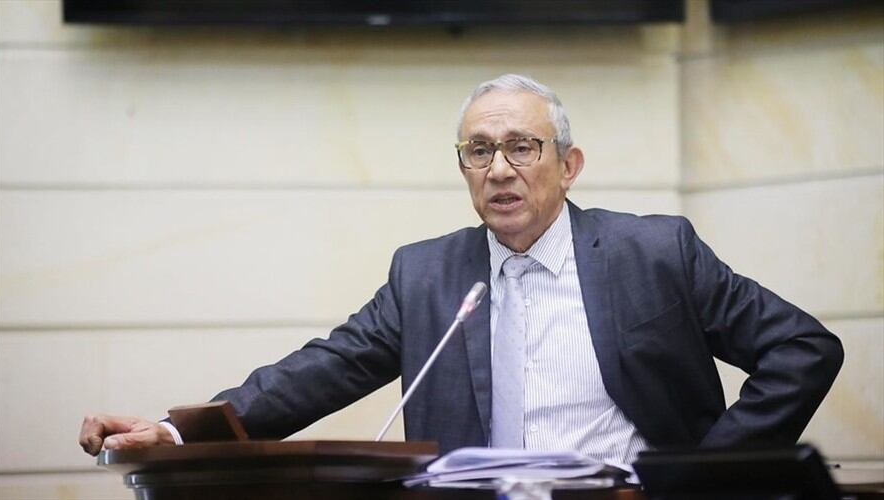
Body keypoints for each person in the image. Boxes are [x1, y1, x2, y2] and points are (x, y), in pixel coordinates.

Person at [79, 74, 843, 463]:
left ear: (568, 165)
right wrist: (179, 434)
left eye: (521, 147)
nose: (499, 169)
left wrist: (710, 478)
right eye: (479, 150)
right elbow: (318, 372)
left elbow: (802, 349)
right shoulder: (427, 275)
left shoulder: (655, 252)